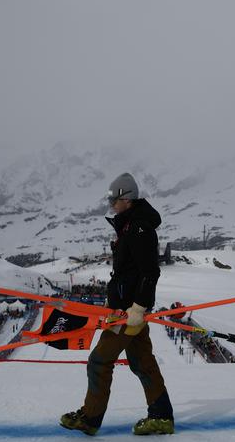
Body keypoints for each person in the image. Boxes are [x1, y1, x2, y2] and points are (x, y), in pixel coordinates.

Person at [60, 173, 174, 436]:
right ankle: (162, 416)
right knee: (142, 361)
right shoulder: (130, 225)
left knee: (99, 360)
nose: (111, 203)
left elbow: (149, 272)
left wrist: (138, 307)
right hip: (123, 309)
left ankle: (90, 419)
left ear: (126, 199)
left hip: (128, 313)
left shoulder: (138, 228)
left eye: (114, 198)